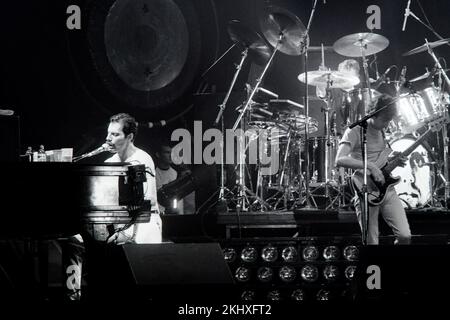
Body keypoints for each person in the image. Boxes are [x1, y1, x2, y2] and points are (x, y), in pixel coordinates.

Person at [63, 113, 162, 300]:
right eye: (108, 133)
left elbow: (146, 202)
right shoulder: (109, 163)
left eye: (115, 134)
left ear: (130, 137)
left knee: (119, 250)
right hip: (116, 225)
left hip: (144, 223)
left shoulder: (142, 159)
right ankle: (73, 295)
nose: (108, 139)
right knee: (73, 240)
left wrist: (125, 231)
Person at [335, 94, 412, 245]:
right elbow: (339, 159)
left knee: (405, 236)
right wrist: (370, 166)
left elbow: (381, 159)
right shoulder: (355, 131)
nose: (387, 124)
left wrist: (394, 160)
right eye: (384, 120)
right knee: (371, 242)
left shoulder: (382, 132)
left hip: (386, 187)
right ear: (373, 114)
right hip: (365, 188)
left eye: (389, 121)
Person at [155, 143, 196, 214]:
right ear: (158, 155)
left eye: (171, 153)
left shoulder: (176, 173)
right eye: (167, 152)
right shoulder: (153, 172)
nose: (170, 156)